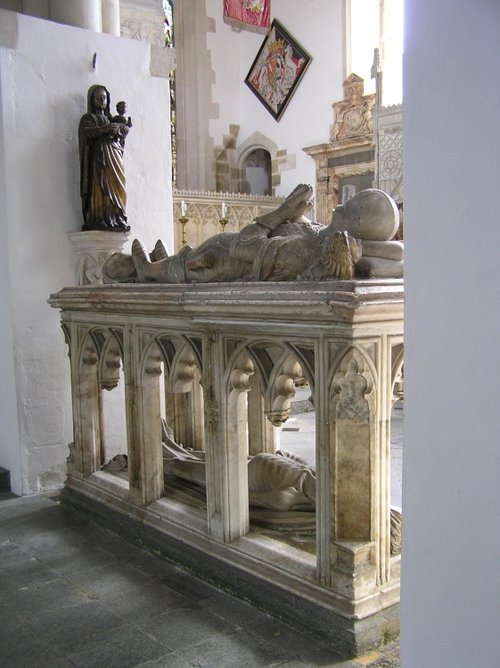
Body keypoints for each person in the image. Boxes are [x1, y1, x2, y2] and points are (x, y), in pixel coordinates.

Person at [78, 85, 130, 232]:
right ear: (92, 100)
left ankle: (116, 216)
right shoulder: (88, 118)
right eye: (99, 97)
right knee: (100, 187)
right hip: (99, 159)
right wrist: (105, 129)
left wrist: (122, 134)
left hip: (114, 156)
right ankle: (100, 217)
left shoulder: (111, 119)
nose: (102, 100)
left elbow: (120, 143)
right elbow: (87, 134)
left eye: (105, 97)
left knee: (118, 185)